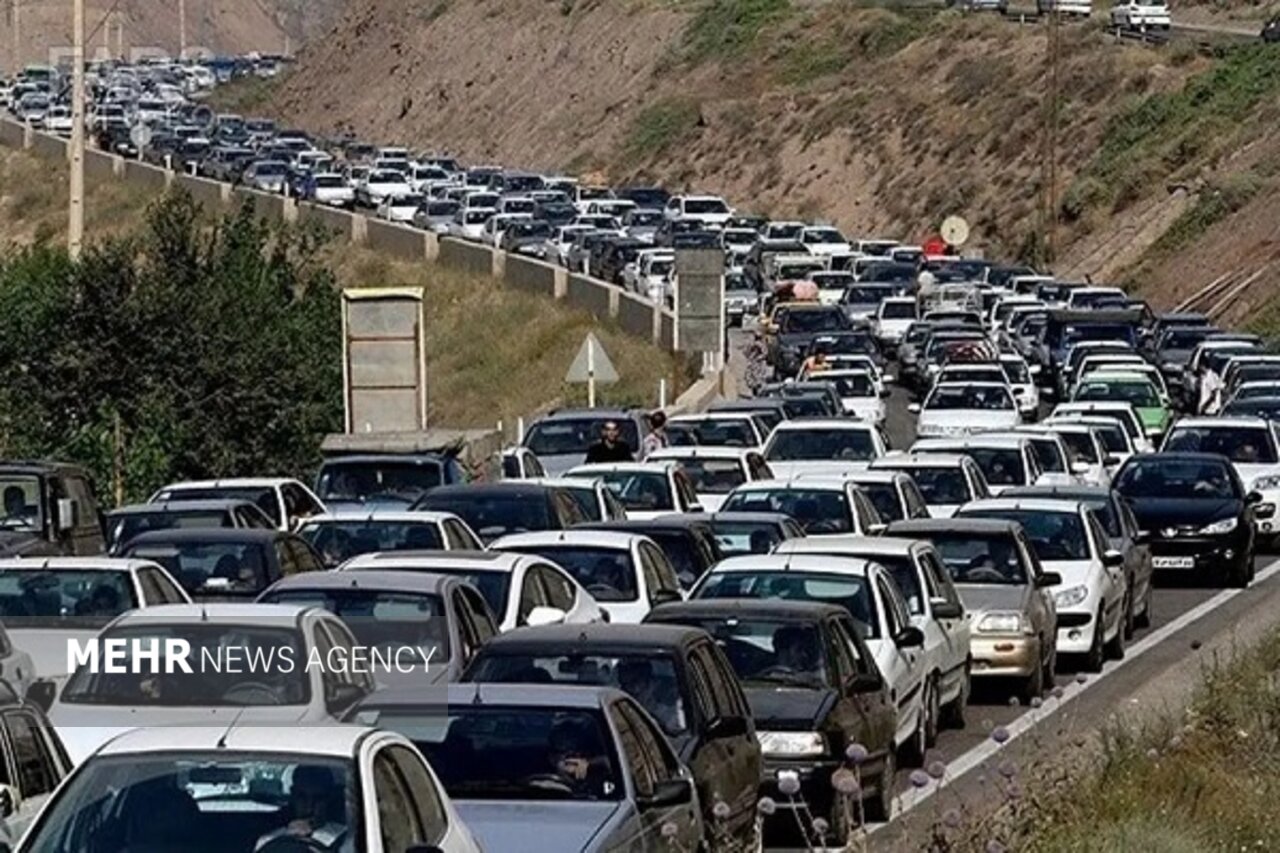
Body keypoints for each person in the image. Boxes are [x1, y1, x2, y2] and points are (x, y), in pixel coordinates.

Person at [256, 766, 350, 852]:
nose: (309, 806)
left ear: (328, 799)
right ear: (293, 796)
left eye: (318, 799)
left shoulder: (346, 839)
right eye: (302, 797)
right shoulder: (269, 840)